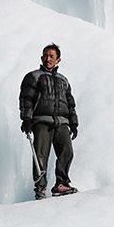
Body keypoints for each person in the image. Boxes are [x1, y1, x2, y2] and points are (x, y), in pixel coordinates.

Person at [19, 43, 78, 199]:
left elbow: (70, 103)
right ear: (41, 57)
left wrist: (74, 123)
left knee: (67, 152)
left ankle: (61, 184)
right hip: (41, 121)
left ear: (58, 60)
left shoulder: (63, 80)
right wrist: (26, 118)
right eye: (45, 55)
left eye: (51, 56)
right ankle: (40, 186)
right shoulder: (33, 76)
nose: (48, 58)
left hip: (62, 122)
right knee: (41, 155)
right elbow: (26, 99)